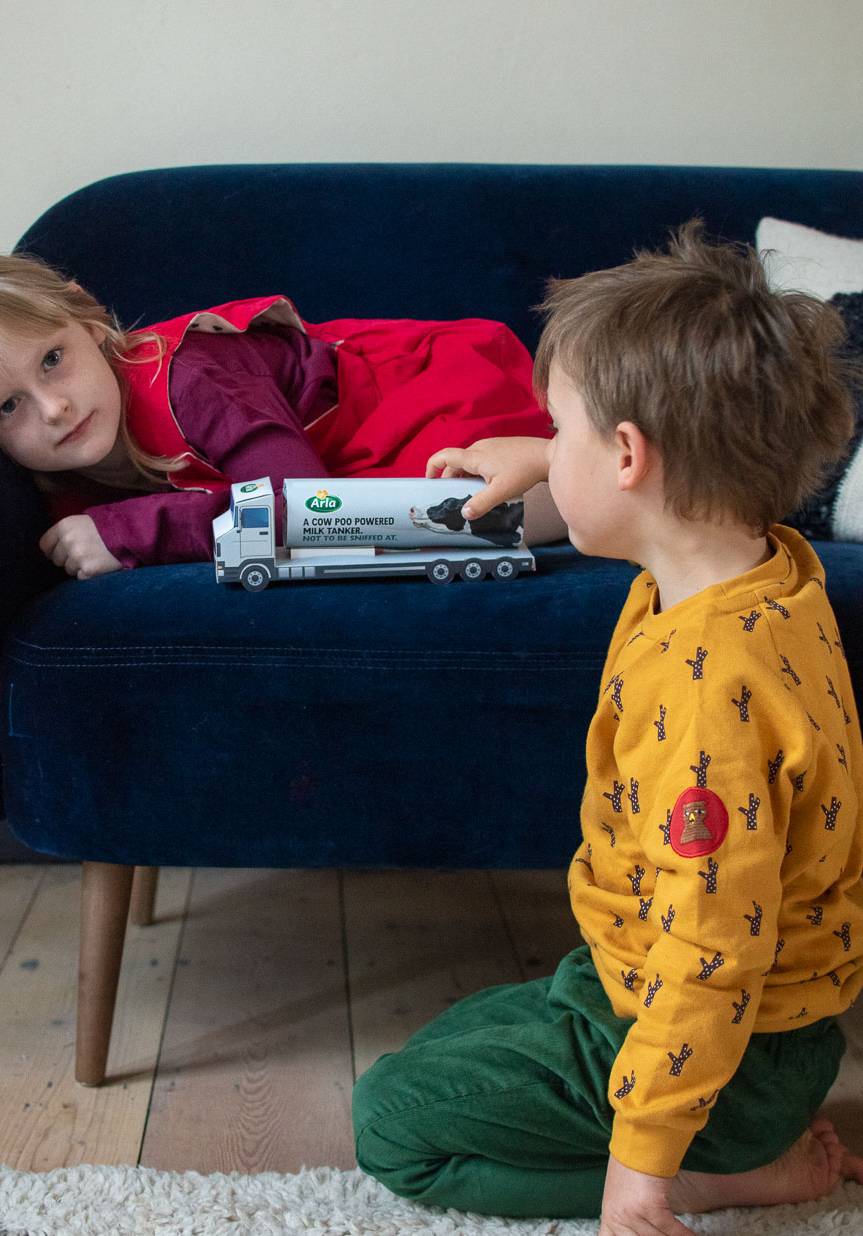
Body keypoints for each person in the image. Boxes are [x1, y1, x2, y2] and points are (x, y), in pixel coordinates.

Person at [352, 221, 863, 1234]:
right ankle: (710, 1138)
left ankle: (724, 1174)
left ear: (629, 456)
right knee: (435, 1053)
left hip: (731, 1047)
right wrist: (542, 460)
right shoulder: (760, 570)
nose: (548, 450)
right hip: (682, 991)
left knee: (394, 1124)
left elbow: (710, 954)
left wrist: (643, 1169)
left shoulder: (714, 701)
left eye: (559, 429)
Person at [0, 250, 565, 577]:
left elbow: (307, 509)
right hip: (339, 473)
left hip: (405, 402)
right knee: (383, 526)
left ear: (87, 318)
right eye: (8, 407)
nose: (54, 408)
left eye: (52, 359)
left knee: (453, 521)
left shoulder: (190, 377)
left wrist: (140, 528)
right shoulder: (61, 477)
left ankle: (575, 475)